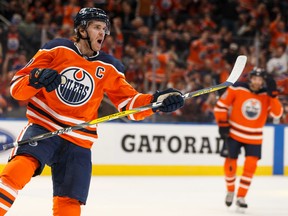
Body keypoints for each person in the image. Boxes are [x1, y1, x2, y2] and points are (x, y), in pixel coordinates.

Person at [0, 8, 184, 216]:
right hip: (44, 127)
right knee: (17, 171)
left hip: (79, 140)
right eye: (97, 27)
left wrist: (156, 101)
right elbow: (17, 90)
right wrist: (36, 78)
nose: (102, 33)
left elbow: (129, 105)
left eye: (104, 29)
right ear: (81, 30)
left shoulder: (109, 66)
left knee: (69, 203)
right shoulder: (57, 49)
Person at [213, 67, 283, 209]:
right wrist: (222, 123)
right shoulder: (237, 88)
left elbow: (277, 114)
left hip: (255, 136)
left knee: (250, 167)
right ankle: (231, 191)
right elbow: (221, 105)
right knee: (230, 164)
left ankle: (241, 196)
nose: (257, 82)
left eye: (260, 79)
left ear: (263, 81)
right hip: (234, 132)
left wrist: (274, 97)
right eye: (254, 78)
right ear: (250, 78)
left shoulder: (267, 95)